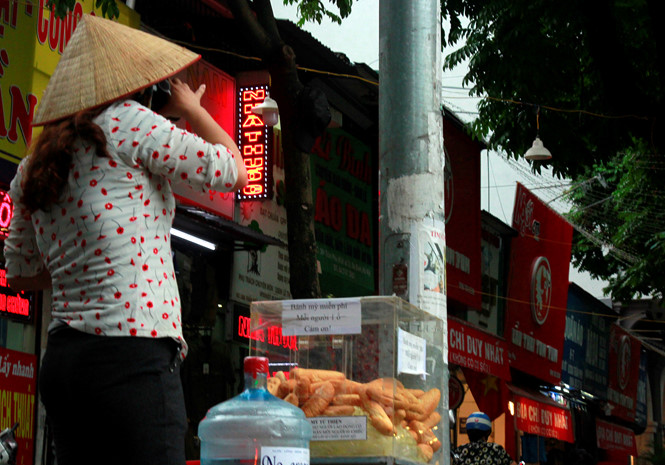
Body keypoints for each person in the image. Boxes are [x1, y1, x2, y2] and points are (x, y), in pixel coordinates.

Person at [3, 14, 247, 465]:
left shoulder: (31, 165)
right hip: (132, 358)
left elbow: (20, 275)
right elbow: (232, 169)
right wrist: (194, 110)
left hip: (65, 368)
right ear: (133, 86)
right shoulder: (129, 123)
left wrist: (79, 268)